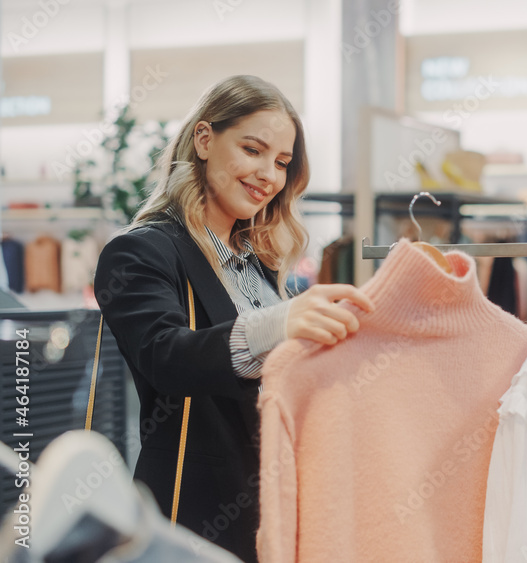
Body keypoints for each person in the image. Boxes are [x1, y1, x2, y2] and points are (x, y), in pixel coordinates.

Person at [94, 75, 373, 563]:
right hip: (196, 512)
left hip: (275, 511)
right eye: (253, 149)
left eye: (282, 162)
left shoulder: (262, 263)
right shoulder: (142, 250)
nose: (269, 173)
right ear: (204, 139)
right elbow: (166, 356)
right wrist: (281, 323)